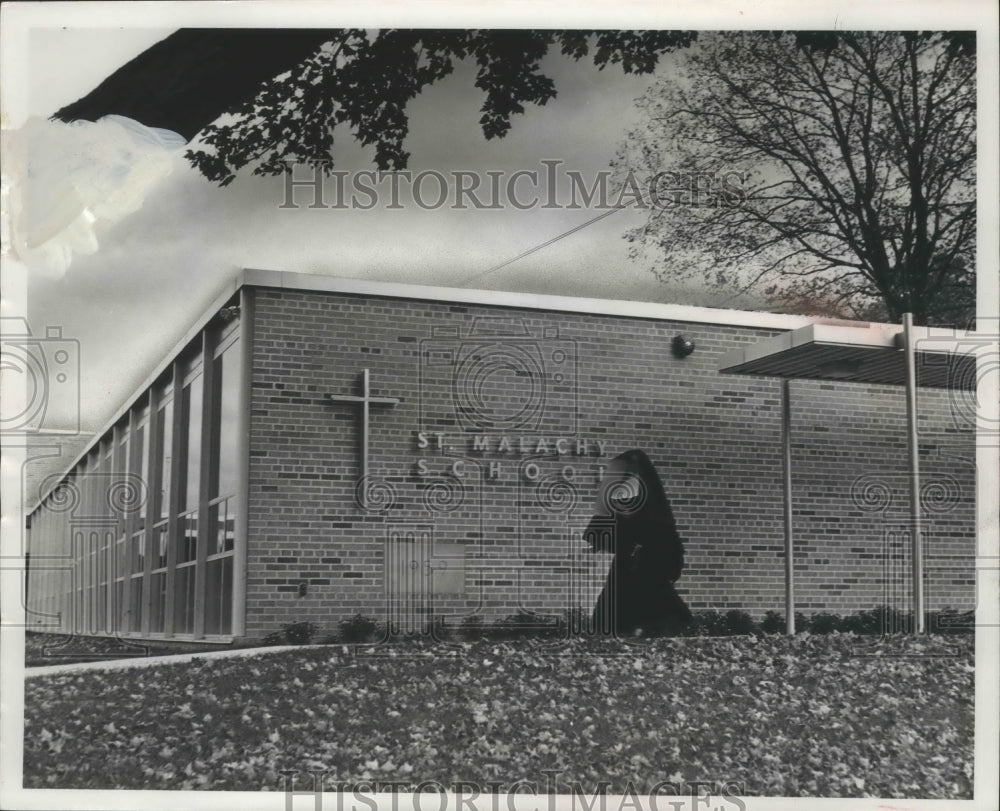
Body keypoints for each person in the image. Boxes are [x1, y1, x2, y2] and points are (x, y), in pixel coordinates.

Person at [583, 449, 691, 636]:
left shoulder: (652, 505)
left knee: (648, 606)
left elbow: (662, 536)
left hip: (648, 563)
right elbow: (611, 522)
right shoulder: (629, 501)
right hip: (629, 562)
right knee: (617, 607)